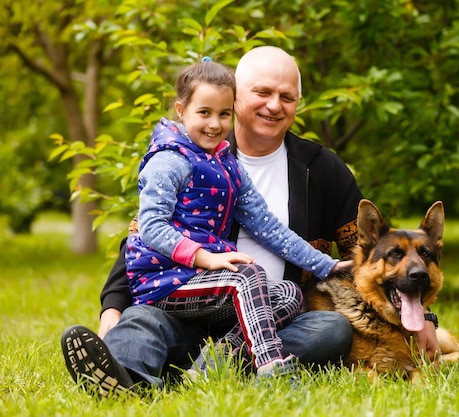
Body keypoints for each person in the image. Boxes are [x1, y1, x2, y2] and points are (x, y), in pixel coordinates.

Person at [61, 46, 439, 397]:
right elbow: (146, 233)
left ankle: (202, 374)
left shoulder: (322, 169)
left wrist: (421, 316)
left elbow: (377, 258)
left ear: (297, 104)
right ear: (236, 95)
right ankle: (125, 377)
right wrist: (112, 305)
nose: (274, 106)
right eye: (262, 92)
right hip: (185, 307)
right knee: (142, 320)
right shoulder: (194, 156)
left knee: (331, 329)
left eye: (286, 97)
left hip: (274, 324)